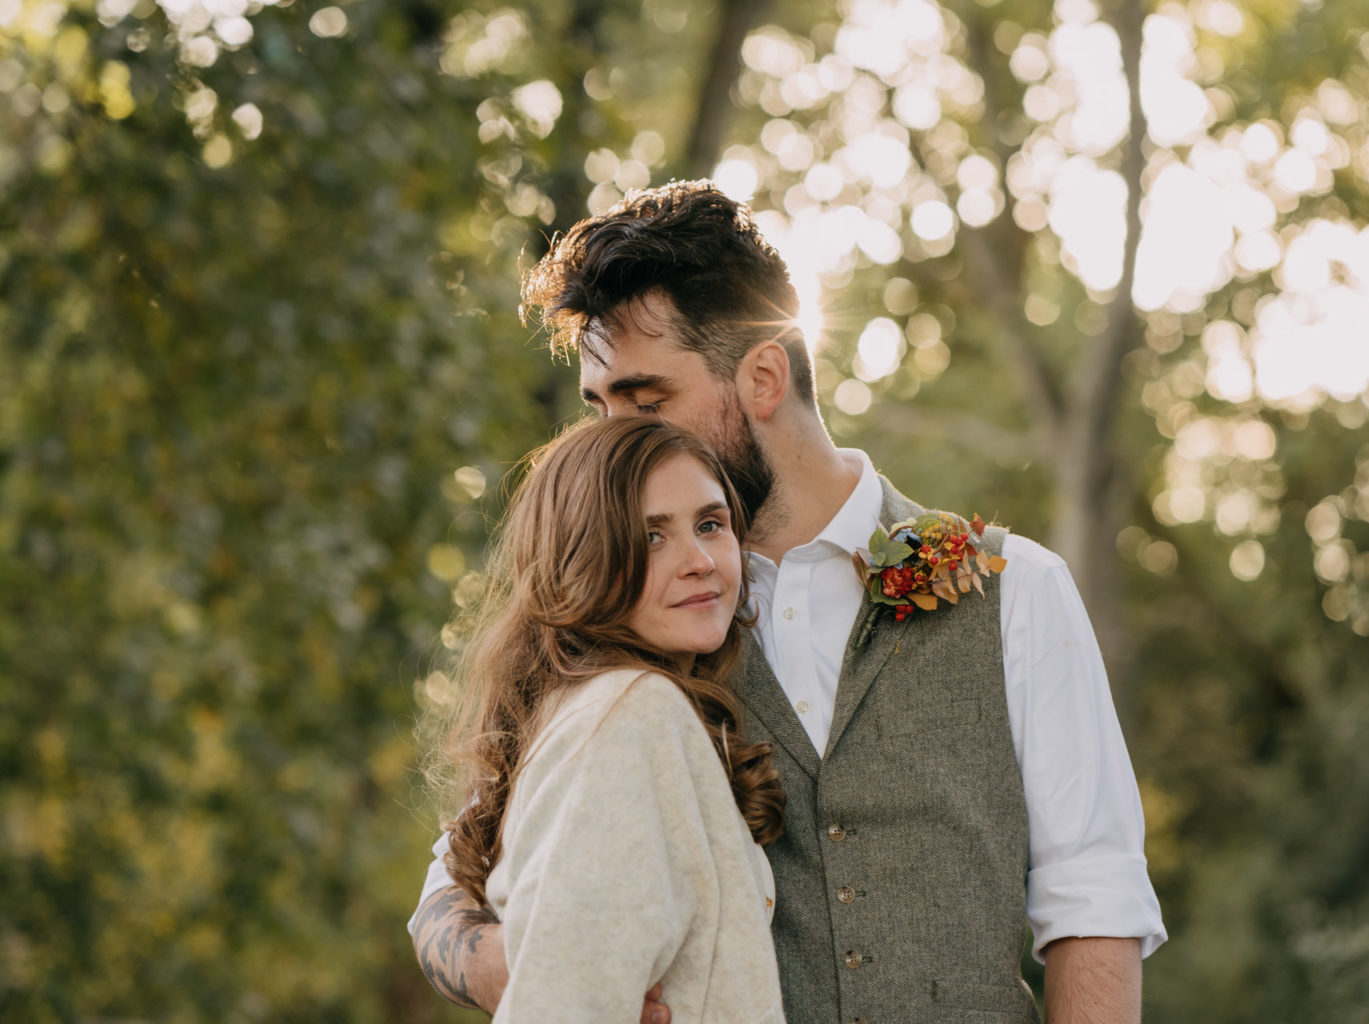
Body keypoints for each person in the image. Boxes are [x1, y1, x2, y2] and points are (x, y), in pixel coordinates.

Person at [410, 181, 1167, 1024]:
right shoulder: (631, 615)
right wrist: (520, 966)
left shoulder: (1015, 591)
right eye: (601, 408)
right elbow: (454, 885)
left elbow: (1094, 904)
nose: (613, 440)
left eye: (645, 401)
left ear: (764, 376)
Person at [421, 414, 788, 1024]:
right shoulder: (632, 711)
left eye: (710, 524)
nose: (699, 560)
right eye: (651, 537)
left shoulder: (585, 707)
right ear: (583, 561)